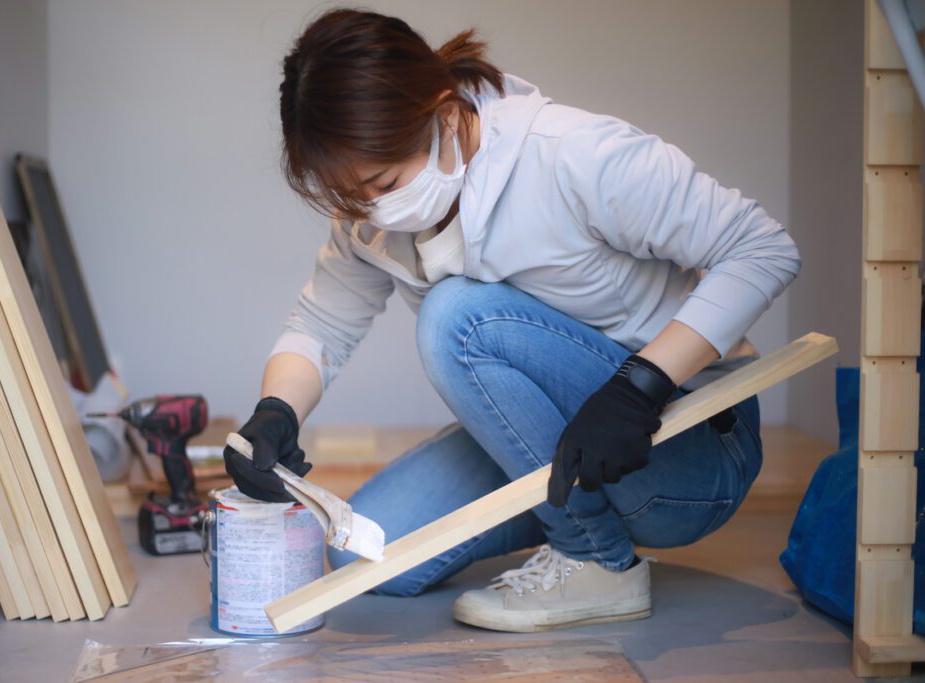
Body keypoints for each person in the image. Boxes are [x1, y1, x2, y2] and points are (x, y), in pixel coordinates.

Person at [223, 8, 799, 633]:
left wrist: (641, 389)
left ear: (444, 115)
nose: (372, 212)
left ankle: (596, 561)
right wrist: (276, 412)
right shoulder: (371, 217)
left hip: (686, 438)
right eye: (351, 197)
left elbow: (762, 248)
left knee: (457, 317)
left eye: (381, 183)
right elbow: (319, 325)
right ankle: (570, 510)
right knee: (365, 550)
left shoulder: (572, 154)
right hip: (569, 440)